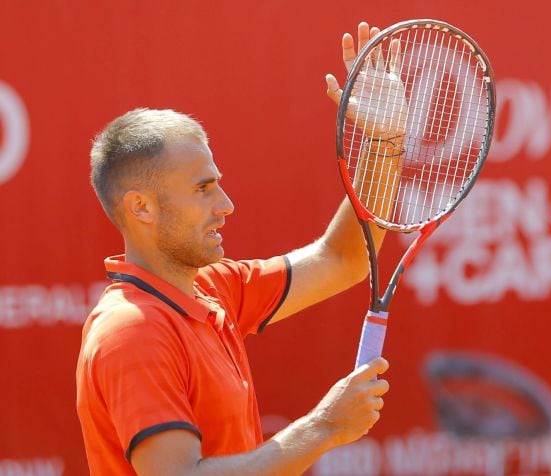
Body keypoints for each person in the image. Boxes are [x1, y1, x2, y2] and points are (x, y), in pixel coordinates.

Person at [76, 22, 406, 475]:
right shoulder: (132, 333)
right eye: (203, 189)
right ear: (142, 208)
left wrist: (383, 144)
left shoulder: (214, 288)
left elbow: (343, 259)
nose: (226, 206)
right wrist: (324, 426)